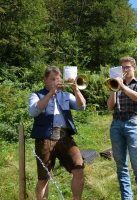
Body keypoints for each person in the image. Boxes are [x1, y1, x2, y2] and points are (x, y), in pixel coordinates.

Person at [29, 66, 86, 200]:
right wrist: (50, 94)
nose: (56, 81)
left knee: (79, 170)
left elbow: (82, 106)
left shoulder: (66, 95)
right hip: (45, 139)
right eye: (52, 79)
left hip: (65, 137)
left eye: (58, 79)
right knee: (44, 178)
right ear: (45, 80)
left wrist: (75, 88)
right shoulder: (36, 95)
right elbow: (33, 112)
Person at [107, 56, 137, 200]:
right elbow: (109, 107)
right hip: (116, 124)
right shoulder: (117, 86)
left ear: (134, 68)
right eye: (123, 68)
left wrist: (123, 87)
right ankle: (127, 197)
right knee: (121, 165)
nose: (125, 70)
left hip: (132, 123)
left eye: (127, 67)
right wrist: (114, 88)